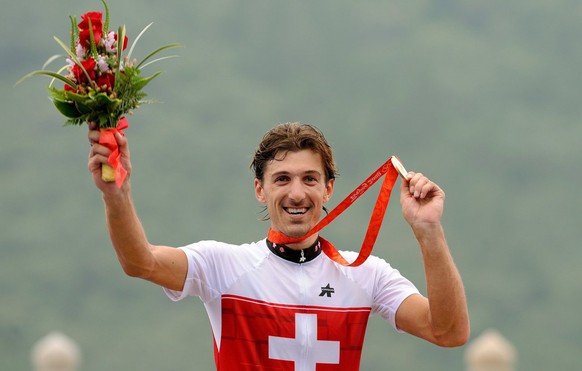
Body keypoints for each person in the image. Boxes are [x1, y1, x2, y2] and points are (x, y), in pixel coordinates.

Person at [88, 121, 469, 370]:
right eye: (282, 178)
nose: (297, 193)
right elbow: (140, 262)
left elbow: (449, 332)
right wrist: (115, 194)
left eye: (309, 178)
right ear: (260, 189)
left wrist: (428, 230)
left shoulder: (366, 274)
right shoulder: (223, 265)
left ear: (328, 188)